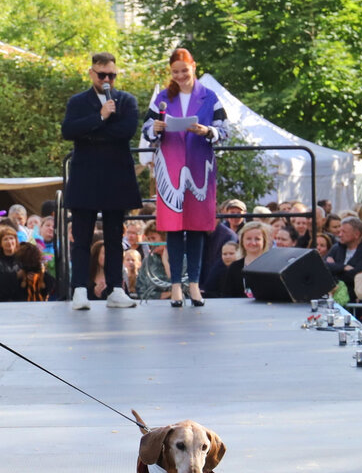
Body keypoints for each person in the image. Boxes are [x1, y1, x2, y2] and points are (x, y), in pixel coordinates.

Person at [142, 48, 229, 308]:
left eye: (184, 70)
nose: (180, 76)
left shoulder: (210, 97)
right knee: (173, 229)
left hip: (200, 169)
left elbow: (225, 130)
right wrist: (155, 128)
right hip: (170, 169)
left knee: (196, 228)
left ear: (194, 67)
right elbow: (146, 129)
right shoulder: (162, 98)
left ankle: (194, 285)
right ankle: (176, 286)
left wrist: (207, 130)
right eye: (175, 72)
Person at [62, 51, 141, 310]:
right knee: (81, 237)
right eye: (102, 75)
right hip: (85, 177)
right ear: (91, 73)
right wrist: (100, 117)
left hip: (116, 176)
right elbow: (69, 130)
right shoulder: (77, 101)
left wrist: (91, 132)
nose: (107, 80)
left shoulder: (126, 100)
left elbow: (126, 131)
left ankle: (116, 289)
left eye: (112, 75)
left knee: (114, 236)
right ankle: (79, 290)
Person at [222, 221, 271, 298]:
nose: (253, 243)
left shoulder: (272, 266)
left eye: (257, 239)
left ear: (264, 241)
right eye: (248, 239)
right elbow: (227, 295)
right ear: (242, 241)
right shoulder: (234, 267)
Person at [325, 216, 362, 291]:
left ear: (356, 234)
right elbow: (323, 267)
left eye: (344, 232)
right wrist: (343, 267)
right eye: (340, 231)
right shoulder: (336, 248)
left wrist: (334, 267)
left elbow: (355, 276)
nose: (340, 235)